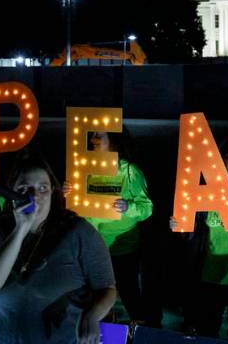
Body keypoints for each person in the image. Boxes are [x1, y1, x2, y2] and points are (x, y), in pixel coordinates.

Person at [0, 152, 116, 344]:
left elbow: (107, 288)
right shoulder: (1, 229)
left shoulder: (79, 231)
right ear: (12, 192)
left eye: (42, 188)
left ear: (53, 192)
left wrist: (91, 316)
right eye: (24, 188)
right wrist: (21, 228)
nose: (34, 196)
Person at [169, 138, 228, 342]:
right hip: (209, 274)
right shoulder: (207, 188)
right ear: (221, 158)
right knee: (208, 329)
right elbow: (193, 230)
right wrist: (180, 226)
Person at [77, 130, 153, 323]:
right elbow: (76, 206)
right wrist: (68, 193)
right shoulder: (84, 168)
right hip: (93, 248)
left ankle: (139, 331)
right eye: (92, 133)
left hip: (123, 249)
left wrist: (128, 207)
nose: (93, 137)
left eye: (99, 134)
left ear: (114, 141)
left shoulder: (130, 172)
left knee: (129, 294)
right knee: (94, 298)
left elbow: (147, 208)